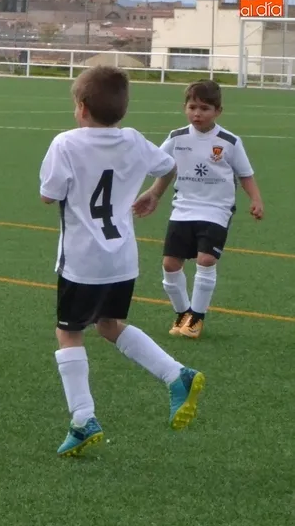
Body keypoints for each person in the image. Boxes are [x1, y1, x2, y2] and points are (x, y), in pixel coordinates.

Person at [38, 65, 205, 457]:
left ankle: (83, 418)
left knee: (68, 332)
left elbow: (49, 195)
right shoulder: (133, 140)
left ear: (81, 107)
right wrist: (154, 193)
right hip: (122, 259)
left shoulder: (65, 144)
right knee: (109, 325)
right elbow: (169, 166)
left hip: (83, 261)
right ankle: (176, 375)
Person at [145, 79, 263, 339]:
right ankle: (182, 313)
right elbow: (164, 168)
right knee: (170, 264)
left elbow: (245, 174)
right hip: (183, 208)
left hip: (216, 209)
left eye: (204, 108)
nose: (197, 113)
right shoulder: (176, 138)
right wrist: (153, 193)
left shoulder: (229, 141)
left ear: (218, 111)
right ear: (185, 108)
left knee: (206, 259)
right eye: (192, 107)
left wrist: (256, 199)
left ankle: (197, 318)